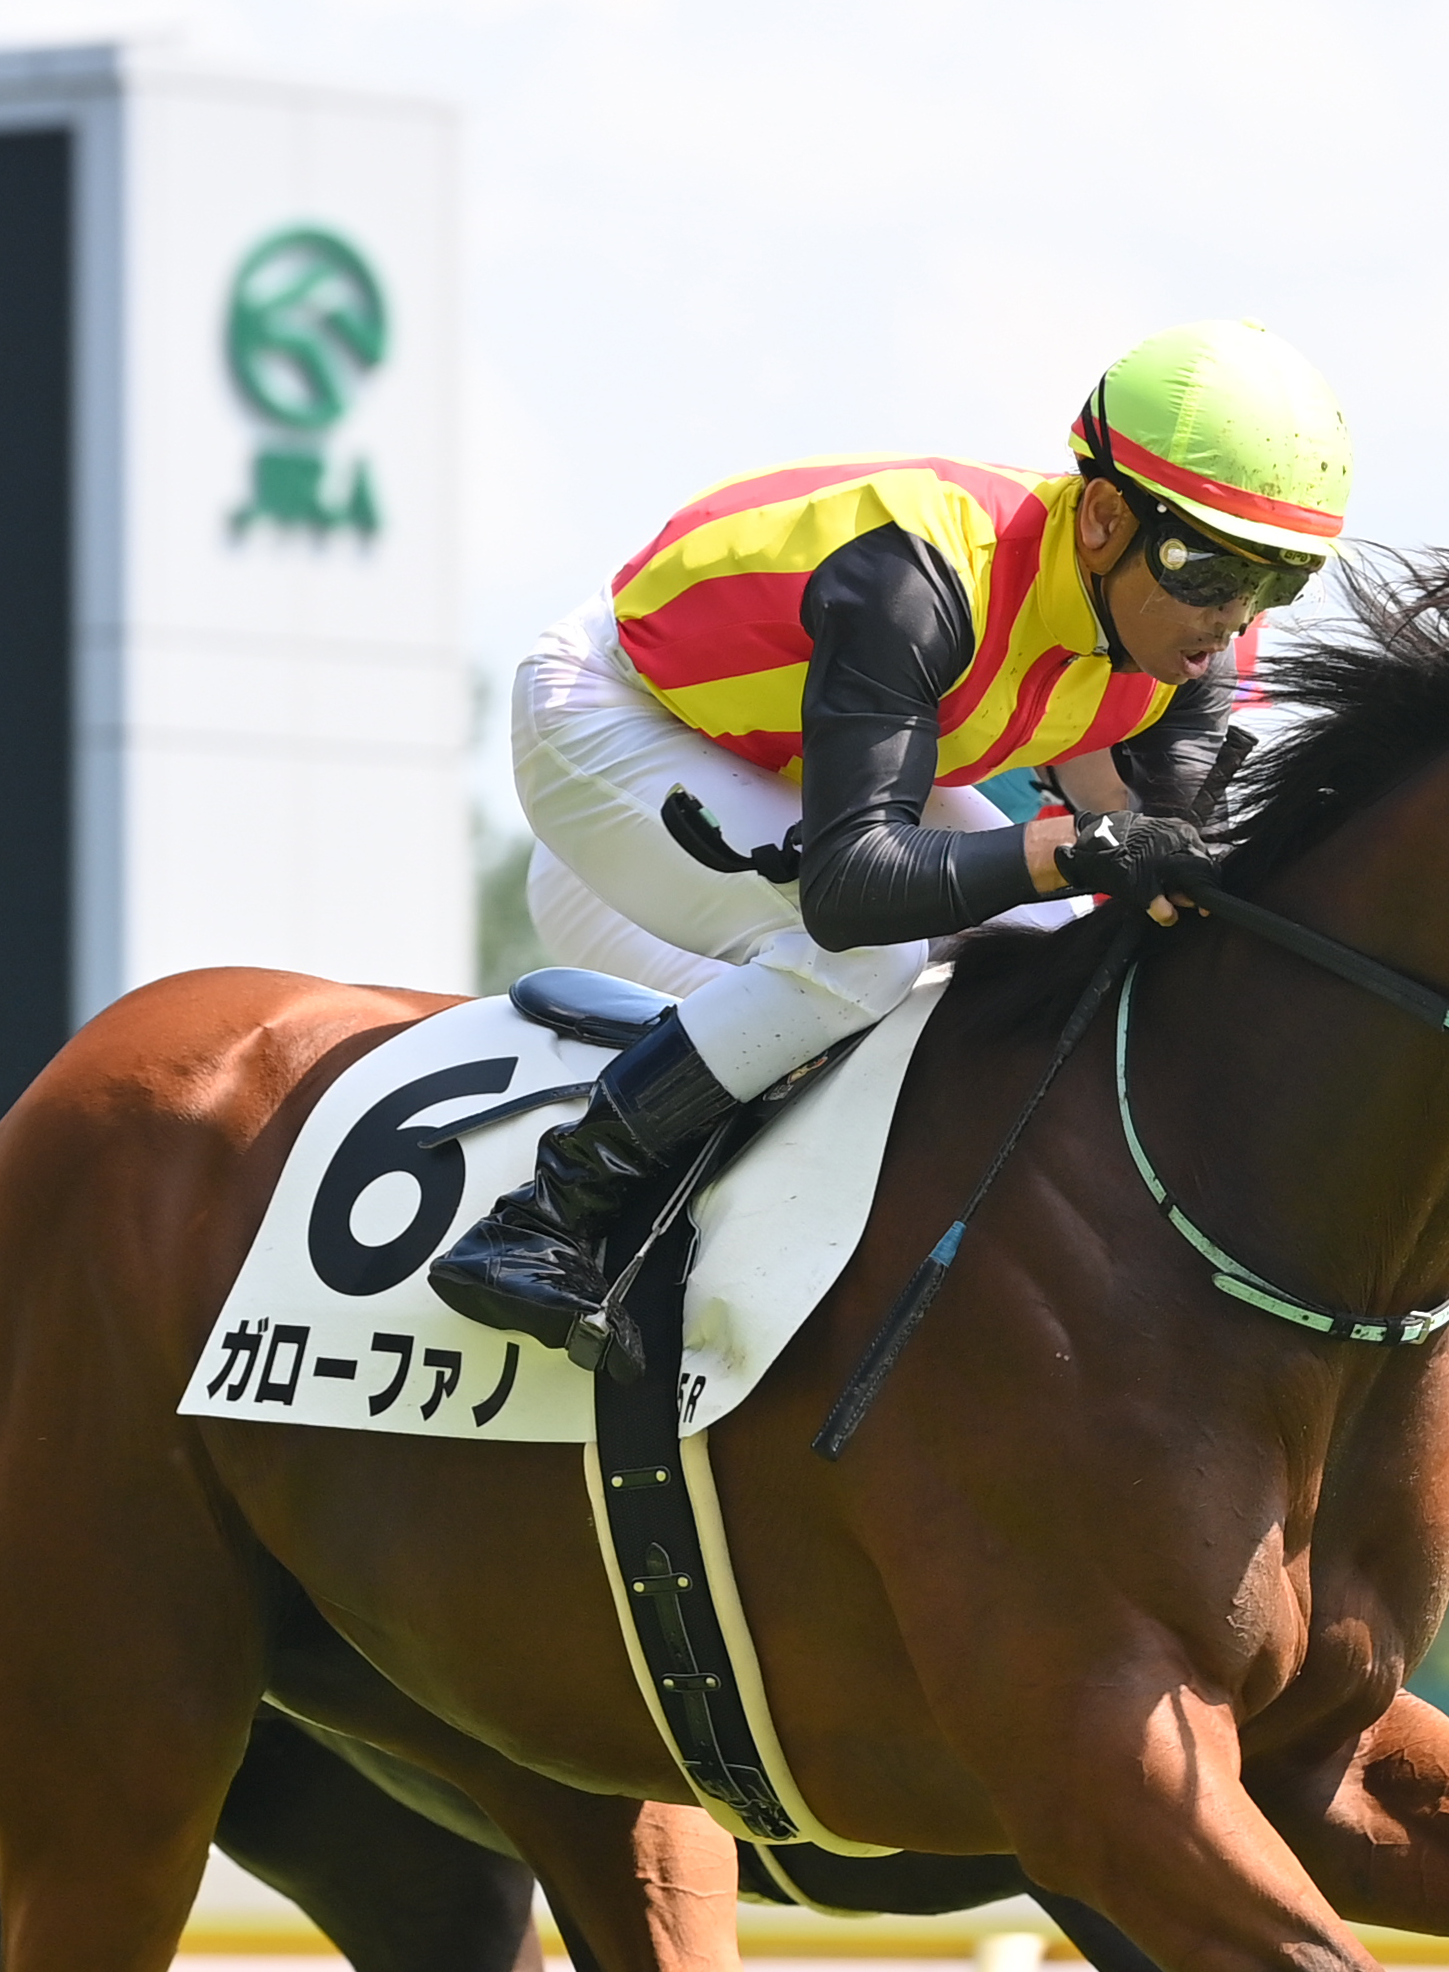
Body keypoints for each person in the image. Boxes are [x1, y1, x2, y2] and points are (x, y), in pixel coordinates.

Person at [427, 320, 1350, 1363]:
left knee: (1053, 942)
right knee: (870, 956)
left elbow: (1156, 889)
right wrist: (1075, 847)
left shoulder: (1189, 634)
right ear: (1101, 517)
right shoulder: (919, 576)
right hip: (617, 721)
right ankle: (546, 1210)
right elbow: (856, 890)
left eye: (1276, 583)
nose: (1233, 620)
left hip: (794, 758)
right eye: (1208, 570)